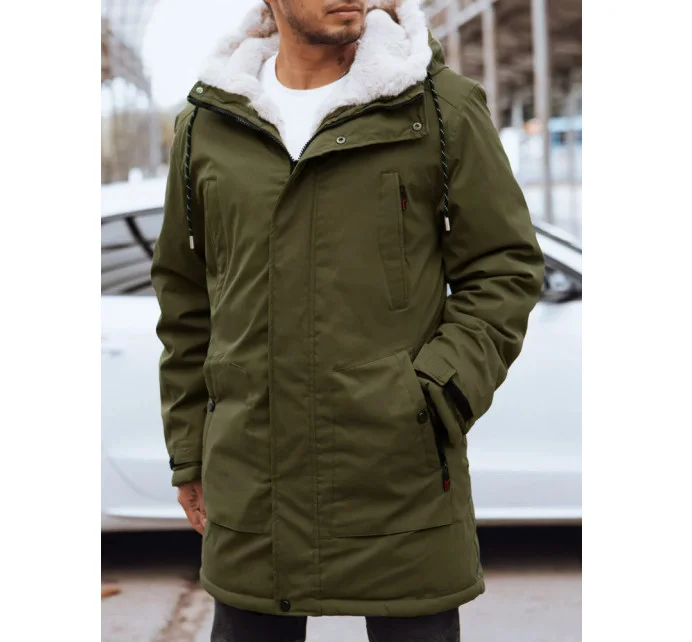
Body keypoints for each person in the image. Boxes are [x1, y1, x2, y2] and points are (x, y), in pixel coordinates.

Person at [150, 1, 545, 640]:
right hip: (251, 485)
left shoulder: (438, 107)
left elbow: (504, 267)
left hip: (400, 477)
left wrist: (436, 392)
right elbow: (186, 301)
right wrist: (190, 450)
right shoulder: (207, 124)